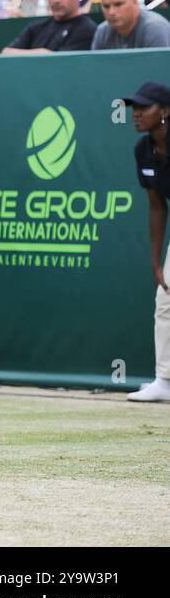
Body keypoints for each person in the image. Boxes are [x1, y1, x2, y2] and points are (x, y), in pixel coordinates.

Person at [124, 81, 170, 401]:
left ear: (164, 112)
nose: (136, 114)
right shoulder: (143, 150)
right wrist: (156, 262)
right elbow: (157, 206)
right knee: (165, 300)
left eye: (144, 108)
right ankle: (164, 381)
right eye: (134, 108)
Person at [1, 0, 97, 54]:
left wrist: (45, 54)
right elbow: (6, 53)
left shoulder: (87, 29)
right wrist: (43, 53)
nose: (56, 0)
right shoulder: (36, 27)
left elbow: (62, 63)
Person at [92, 0, 170, 50]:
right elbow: (94, 66)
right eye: (106, 6)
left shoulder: (154, 28)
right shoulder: (102, 32)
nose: (111, 12)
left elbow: (158, 66)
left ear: (134, 1)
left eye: (118, 4)